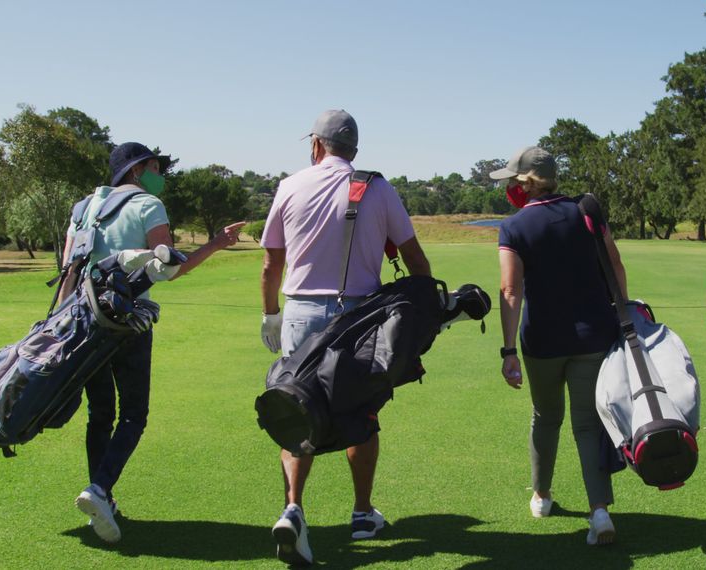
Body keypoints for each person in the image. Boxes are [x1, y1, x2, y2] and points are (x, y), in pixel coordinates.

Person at [259, 109, 431, 566]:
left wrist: (271, 314)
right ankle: (361, 513)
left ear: (316, 145)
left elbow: (272, 263)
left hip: (299, 313)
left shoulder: (290, 186)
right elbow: (415, 260)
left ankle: (293, 509)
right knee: (361, 413)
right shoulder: (378, 188)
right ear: (354, 150)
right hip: (359, 319)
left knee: (297, 408)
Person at [64, 142, 245, 543]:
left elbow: (68, 269)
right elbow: (167, 270)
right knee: (133, 415)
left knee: (99, 414)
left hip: (85, 321)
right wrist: (215, 244)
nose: (159, 175)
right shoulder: (148, 204)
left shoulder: (84, 208)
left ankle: (104, 499)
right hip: (127, 321)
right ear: (135, 170)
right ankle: (99, 490)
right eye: (155, 168)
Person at [493, 146, 628, 546]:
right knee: (588, 424)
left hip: (542, 340)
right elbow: (615, 264)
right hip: (594, 336)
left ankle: (541, 496)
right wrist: (625, 313)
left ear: (524, 183)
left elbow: (510, 289)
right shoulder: (586, 211)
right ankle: (599, 511)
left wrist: (508, 351)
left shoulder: (514, 226)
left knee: (545, 416)